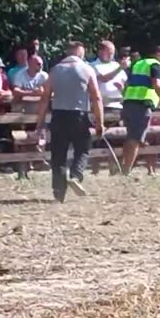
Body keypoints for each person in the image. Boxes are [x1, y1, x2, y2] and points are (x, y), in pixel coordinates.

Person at [33, 41, 104, 201]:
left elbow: (45, 98)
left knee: (58, 155)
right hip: (79, 115)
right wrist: (100, 122)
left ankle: (58, 192)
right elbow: (96, 97)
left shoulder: (55, 70)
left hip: (59, 116)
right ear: (80, 53)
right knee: (83, 149)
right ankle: (76, 174)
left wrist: (40, 122)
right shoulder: (87, 69)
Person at [119, 46, 160, 174]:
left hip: (128, 102)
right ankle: (126, 170)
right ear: (158, 54)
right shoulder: (155, 65)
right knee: (135, 139)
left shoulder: (138, 64)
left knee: (130, 136)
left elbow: (127, 83)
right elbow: (156, 84)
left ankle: (122, 167)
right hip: (142, 104)